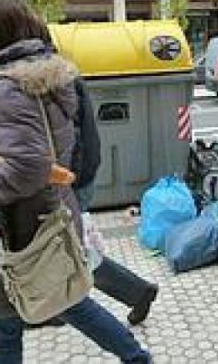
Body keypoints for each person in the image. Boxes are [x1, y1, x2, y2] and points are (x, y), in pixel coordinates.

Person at [0, 0, 151, 364]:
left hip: (22, 229)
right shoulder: (48, 76)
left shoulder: (10, 89)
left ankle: (137, 357)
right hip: (51, 210)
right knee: (68, 298)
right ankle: (136, 357)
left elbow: (25, 169)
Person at [70, 77, 158, 326]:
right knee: (71, 252)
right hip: (74, 178)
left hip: (68, 183)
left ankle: (137, 292)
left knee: (73, 253)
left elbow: (68, 140)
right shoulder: (58, 74)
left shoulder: (48, 79)